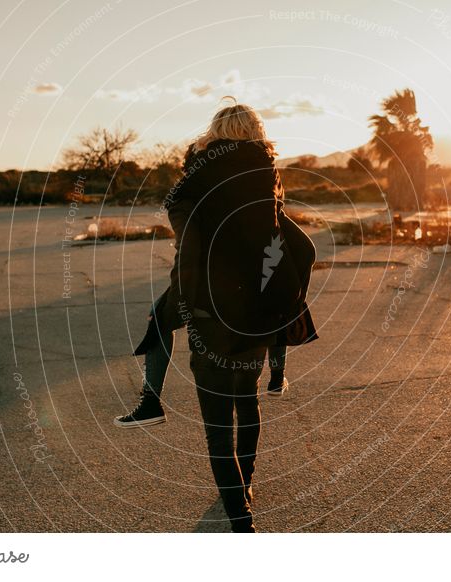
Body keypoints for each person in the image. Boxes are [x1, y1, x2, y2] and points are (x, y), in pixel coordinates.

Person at [122, 100, 317, 532]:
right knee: (246, 405)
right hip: (258, 315)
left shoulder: (195, 180)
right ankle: (243, 489)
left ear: (214, 134)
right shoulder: (266, 177)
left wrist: (185, 304)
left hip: (209, 312)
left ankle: (239, 517)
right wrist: (286, 306)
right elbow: (301, 249)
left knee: (215, 422)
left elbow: (188, 251)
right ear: (256, 134)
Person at [115, 126, 316, 427]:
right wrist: (294, 288)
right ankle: (276, 377)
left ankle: (151, 401)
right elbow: (305, 249)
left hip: (213, 287)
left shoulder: (199, 193)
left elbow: (189, 253)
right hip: (256, 286)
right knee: (280, 293)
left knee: (158, 316)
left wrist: (179, 297)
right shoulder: (260, 183)